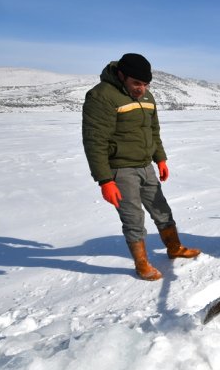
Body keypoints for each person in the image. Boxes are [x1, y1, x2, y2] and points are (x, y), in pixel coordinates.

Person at [82, 53, 200, 281]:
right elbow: (94, 141)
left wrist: (161, 159)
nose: (142, 89)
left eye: (146, 84)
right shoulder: (101, 96)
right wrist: (105, 180)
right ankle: (142, 264)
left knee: (161, 209)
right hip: (120, 170)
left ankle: (174, 247)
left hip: (146, 165)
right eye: (137, 83)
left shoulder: (147, 97)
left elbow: (152, 131)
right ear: (121, 75)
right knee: (133, 218)